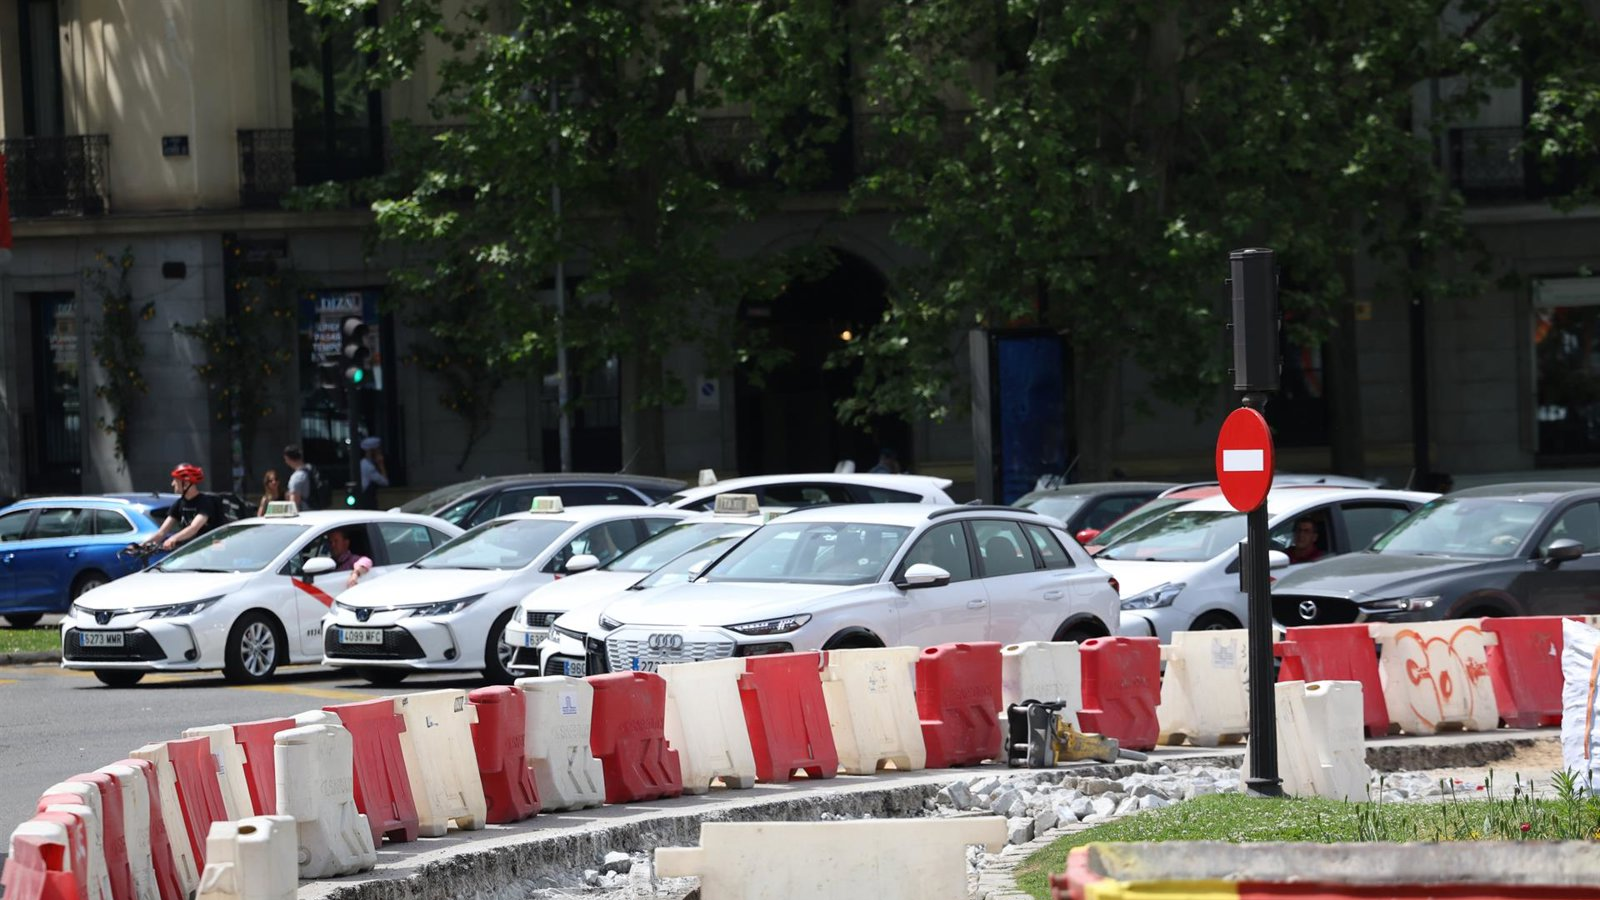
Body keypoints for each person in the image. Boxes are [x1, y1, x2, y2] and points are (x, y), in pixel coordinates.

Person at [148, 463, 222, 550]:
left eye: (175, 480)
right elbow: (162, 532)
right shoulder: (179, 503)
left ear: (186, 483)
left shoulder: (205, 502)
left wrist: (173, 538)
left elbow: (194, 528)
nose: (172, 484)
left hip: (208, 550)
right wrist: (141, 545)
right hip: (191, 552)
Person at [359, 436, 389, 510]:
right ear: (372, 451)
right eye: (377, 450)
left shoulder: (364, 463)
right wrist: (381, 464)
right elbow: (384, 482)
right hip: (367, 503)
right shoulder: (368, 467)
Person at [283, 445, 313, 509]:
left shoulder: (296, 477)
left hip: (305, 515)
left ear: (288, 458)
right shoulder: (310, 470)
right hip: (318, 512)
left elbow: (293, 505)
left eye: (285, 459)